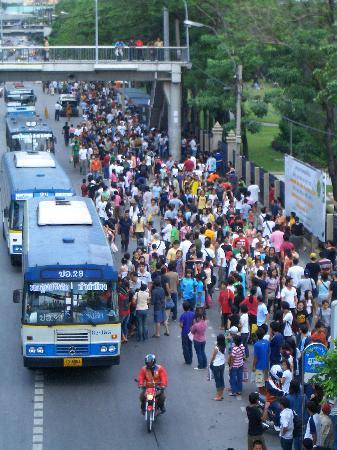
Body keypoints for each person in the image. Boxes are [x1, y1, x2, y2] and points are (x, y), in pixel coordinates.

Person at [252, 327, 270, 394]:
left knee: (260, 384)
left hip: (259, 366)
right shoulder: (267, 342)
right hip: (266, 365)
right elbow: (268, 353)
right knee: (265, 381)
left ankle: (262, 397)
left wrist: (253, 366)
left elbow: (255, 357)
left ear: (256, 335)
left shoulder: (256, 344)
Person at [209, 334, 226, 401]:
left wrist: (210, 363)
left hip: (216, 365)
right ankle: (221, 394)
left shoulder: (216, 348)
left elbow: (213, 357)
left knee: (217, 381)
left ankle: (218, 396)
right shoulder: (224, 346)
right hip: (222, 364)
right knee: (221, 378)